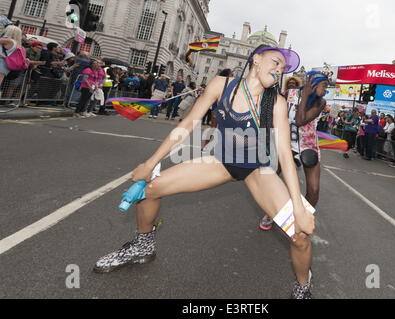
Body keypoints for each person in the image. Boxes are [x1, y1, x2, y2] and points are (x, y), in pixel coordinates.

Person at [93, 45, 316, 299]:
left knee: (300, 236)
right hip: (221, 162)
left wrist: (298, 207)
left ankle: (302, 287)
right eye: (276, 62)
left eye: (283, 68)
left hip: (258, 170)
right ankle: (143, 246)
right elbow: (188, 124)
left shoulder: (275, 102)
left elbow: (285, 155)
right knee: (150, 187)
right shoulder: (222, 85)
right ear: (256, 59)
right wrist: (150, 162)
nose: (279, 69)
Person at [259, 71, 328, 232]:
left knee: (314, 189)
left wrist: (305, 96)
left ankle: (303, 218)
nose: (326, 90)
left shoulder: (321, 102)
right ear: (314, 83)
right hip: (286, 143)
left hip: (308, 145)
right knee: (274, 178)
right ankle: (271, 212)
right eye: (325, 86)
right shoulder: (288, 93)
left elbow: (300, 120)